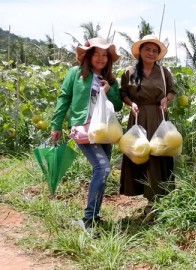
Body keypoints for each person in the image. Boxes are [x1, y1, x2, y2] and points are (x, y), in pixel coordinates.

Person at [50, 37, 123, 230]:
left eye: (105, 55)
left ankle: (94, 216)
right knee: (103, 168)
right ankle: (88, 219)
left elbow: (117, 105)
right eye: (97, 54)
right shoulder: (76, 74)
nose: (101, 58)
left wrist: (108, 91)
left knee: (102, 171)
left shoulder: (111, 80)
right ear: (89, 56)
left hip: (104, 130)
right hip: (83, 129)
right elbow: (64, 98)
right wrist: (56, 124)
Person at [119, 34, 176, 217]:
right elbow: (123, 93)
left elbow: (172, 91)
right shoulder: (129, 71)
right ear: (140, 52)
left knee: (157, 156)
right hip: (138, 117)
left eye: (155, 50)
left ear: (158, 54)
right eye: (147, 49)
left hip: (158, 117)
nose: (151, 53)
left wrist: (166, 100)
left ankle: (154, 202)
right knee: (139, 154)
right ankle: (143, 194)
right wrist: (131, 103)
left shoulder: (163, 72)